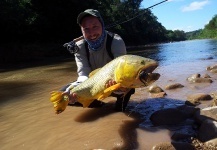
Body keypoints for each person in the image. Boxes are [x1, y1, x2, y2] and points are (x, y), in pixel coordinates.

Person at [63, 9, 135, 111]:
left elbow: (122, 72)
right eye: (86, 29)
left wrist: (120, 87)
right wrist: (71, 91)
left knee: (128, 86)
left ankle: (119, 108)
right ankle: (100, 105)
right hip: (92, 84)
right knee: (63, 96)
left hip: (114, 83)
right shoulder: (79, 47)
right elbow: (83, 75)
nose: (91, 33)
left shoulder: (116, 41)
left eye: (95, 27)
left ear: (102, 25)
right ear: (81, 30)